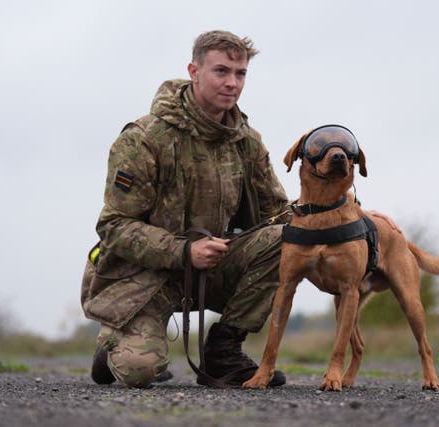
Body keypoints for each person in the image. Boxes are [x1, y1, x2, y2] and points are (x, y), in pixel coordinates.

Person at [81, 30, 290, 388]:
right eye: (221, 71)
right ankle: (113, 345)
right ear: (194, 71)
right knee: (139, 371)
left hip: (213, 269)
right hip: (146, 277)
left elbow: (279, 214)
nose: (232, 83)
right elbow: (114, 226)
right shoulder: (144, 138)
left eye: (240, 74)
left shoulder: (246, 141)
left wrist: (346, 217)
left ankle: (223, 352)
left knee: (287, 240)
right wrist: (183, 251)